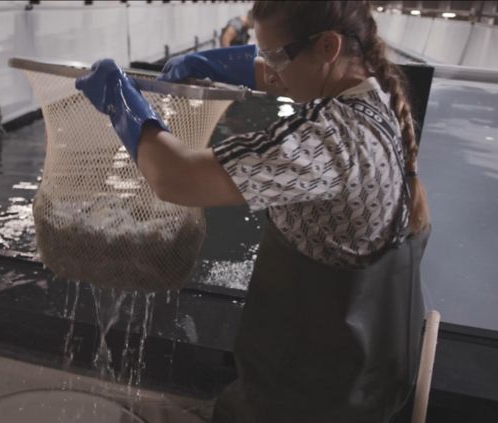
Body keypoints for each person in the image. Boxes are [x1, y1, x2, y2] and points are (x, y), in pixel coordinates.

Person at [75, 1, 431, 422]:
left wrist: (122, 106)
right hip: (364, 381)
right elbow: (288, 75)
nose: (270, 69)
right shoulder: (377, 95)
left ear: (329, 47)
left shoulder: (332, 141)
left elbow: (176, 177)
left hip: (308, 398)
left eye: (275, 55)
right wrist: (221, 64)